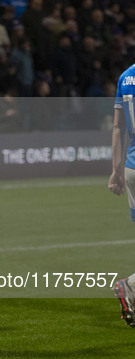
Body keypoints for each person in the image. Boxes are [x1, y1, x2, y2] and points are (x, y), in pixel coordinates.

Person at [110, 62, 135, 326]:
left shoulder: (126, 77)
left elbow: (118, 129)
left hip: (131, 167)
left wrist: (115, 171)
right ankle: (130, 287)